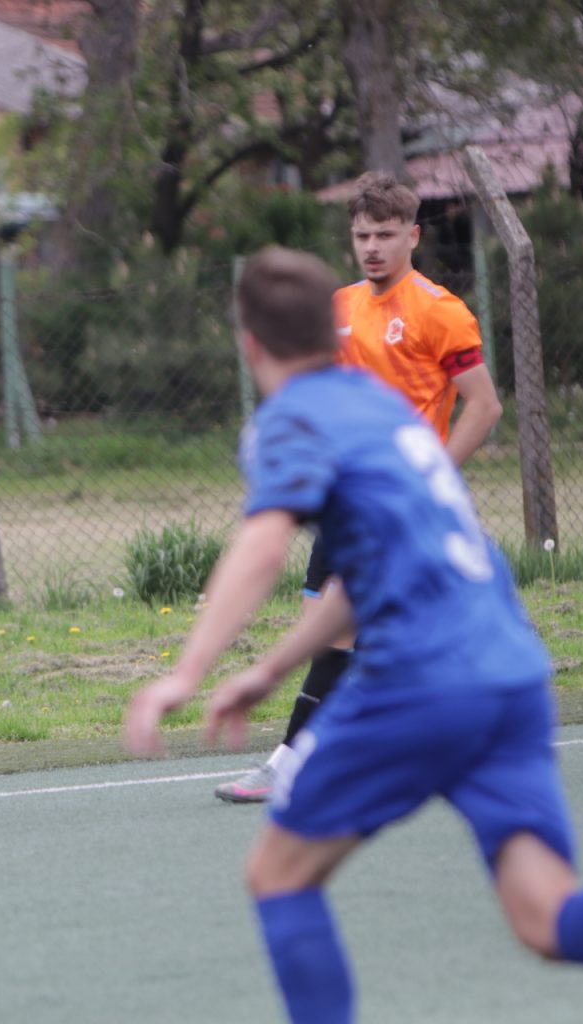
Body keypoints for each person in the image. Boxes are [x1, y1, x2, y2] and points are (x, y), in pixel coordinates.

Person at [126, 247, 583, 1023]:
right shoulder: (382, 410)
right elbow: (361, 578)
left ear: (250, 343)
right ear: (333, 332)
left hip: (421, 679)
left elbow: (262, 548)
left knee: (279, 875)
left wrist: (186, 671)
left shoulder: (292, 417)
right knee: (547, 916)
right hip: (510, 673)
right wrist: (267, 671)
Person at [214, 171, 504, 803]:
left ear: (413, 236)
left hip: (393, 505)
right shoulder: (339, 307)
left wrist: (429, 479)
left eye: (386, 234)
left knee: (338, 632)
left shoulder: (439, 310)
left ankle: (292, 762)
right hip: (344, 497)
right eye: (363, 235)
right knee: (339, 628)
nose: (372, 246)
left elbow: (484, 406)